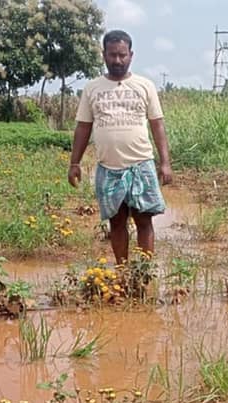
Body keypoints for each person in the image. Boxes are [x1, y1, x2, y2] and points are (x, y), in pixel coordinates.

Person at [68, 29, 173, 264]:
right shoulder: (92, 88)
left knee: (144, 221)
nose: (117, 60)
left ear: (131, 55)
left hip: (141, 166)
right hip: (108, 168)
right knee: (116, 222)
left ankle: (143, 273)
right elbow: (83, 128)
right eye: (112, 55)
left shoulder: (144, 86)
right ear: (104, 55)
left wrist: (165, 162)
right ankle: (123, 272)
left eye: (122, 55)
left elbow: (157, 125)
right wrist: (74, 163)